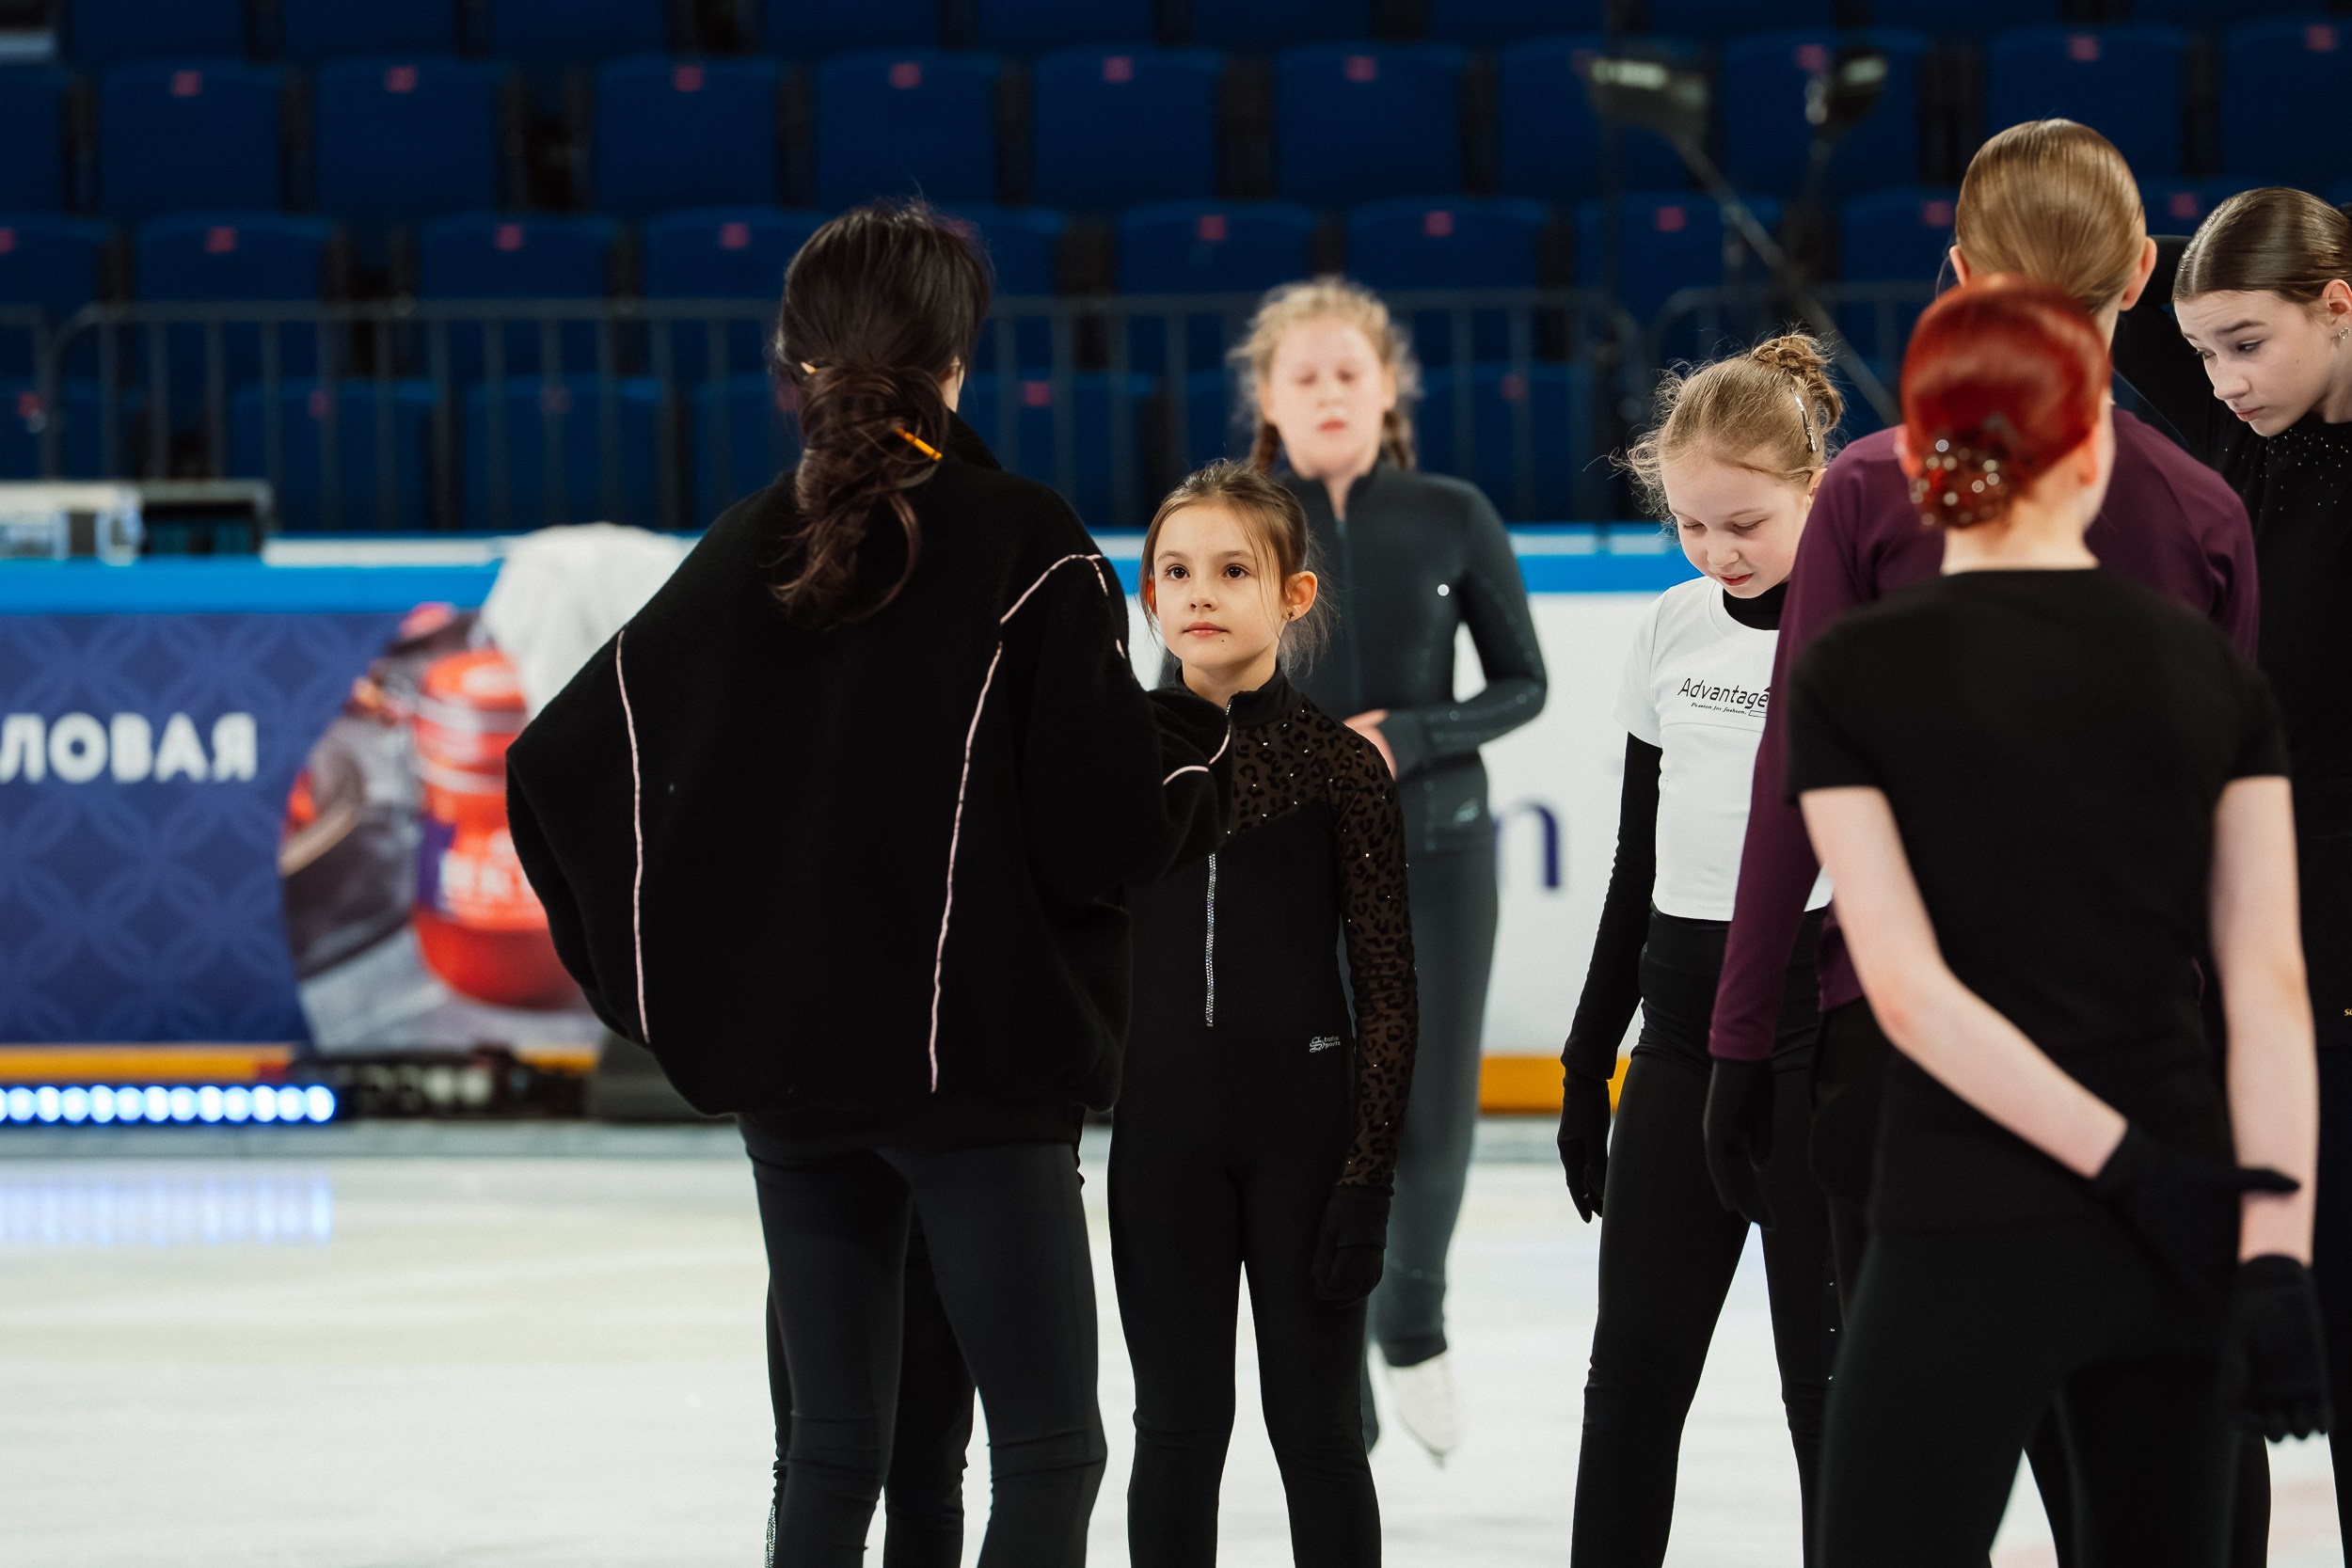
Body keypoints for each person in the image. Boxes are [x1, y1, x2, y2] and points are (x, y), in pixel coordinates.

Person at [502, 201, 1234, 1567]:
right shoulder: (1027, 539)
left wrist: (681, 1009)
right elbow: (1108, 837)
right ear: (961, 358)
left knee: (831, 1454)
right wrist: (1196, 735)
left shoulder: (741, 546)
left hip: (792, 1093)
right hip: (976, 1086)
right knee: (1050, 1454)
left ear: (795, 360)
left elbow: (559, 774)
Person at [1698, 120, 2265, 1564]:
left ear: (1954, 275)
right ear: (2143, 269)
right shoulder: (2204, 506)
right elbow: (2239, 914)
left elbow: (1792, 791)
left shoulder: (1881, 492)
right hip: (2157, 1072)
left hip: (1929, 1102)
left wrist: (1743, 1026)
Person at [1792, 273, 2328, 1567]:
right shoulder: (2208, 668)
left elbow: (1910, 991)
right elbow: (2267, 983)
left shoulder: (1854, 671)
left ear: (1923, 458)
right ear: (2094, 450)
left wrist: (2124, 1164)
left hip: (1966, 1217)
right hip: (2187, 1216)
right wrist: (2274, 1251)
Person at [1232, 277, 1548, 1458]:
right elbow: (1190, 695)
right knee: (1313, 1104)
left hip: (1439, 854)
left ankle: (1412, 1320)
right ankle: (1334, 1341)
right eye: (1301, 375)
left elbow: (1524, 682)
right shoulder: (1239, 518)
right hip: (1284, 859)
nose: (1325, 393)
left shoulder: (1452, 511)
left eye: (1345, 373)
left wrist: (1405, 736)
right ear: (1267, 395)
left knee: (1429, 1110)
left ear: (1386, 388)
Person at [1556, 336, 1841, 1567]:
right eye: (1691, 524)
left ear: (1815, 489)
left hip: (1816, 1047)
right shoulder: (1671, 627)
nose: (1718, 552)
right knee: (1629, 1383)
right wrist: (1584, 1058)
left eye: (1746, 522)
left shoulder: (1858, 630)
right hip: (1674, 1042)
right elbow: (1638, 863)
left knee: (1828, 1393)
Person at [1115, 460, 1417, 1567]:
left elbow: (1387, 982)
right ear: (1148, 595)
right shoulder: (1110, 758)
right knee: (1177, 1432)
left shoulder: (1341, 768)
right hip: (1160, 1146)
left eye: (1233, 569)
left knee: (1320, 1434)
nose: (1201, 591)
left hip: (1305, 1145)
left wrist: (1368, 1174)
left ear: (1290, 594)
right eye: (1176, 571)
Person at [2113, 185, 2352, 1551]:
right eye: (2203, 351)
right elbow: (2110, 281)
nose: (2220, 377)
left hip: (2334, 948)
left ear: (2340, 303)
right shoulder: (2234, 422)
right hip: (2236, 945)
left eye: (2248, 344)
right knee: (2216, 1349)